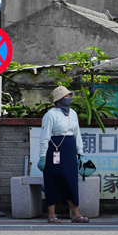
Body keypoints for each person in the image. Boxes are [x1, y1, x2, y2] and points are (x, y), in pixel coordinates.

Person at [38, 86, 88, 224]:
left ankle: (76, 214)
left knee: (71, 180)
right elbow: (45, 137)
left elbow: (77, 134)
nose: (69, 98)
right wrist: (42, 156)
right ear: (59, 99)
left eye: (69, 96)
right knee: (52, 180)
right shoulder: (50, 115)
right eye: (66, 96)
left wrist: (80, 153)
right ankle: (51, 214)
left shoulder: (73, 113)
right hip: (54, 149)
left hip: (69, 149)